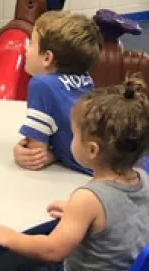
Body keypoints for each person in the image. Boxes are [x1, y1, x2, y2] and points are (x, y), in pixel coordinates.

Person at [0, 77, 149, 271]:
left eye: (74, 135)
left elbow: (52, 251)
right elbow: (121, 217)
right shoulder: (143, 177)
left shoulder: (87, 199)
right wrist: (82, 217)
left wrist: (10, 237)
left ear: (92, 150)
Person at [13, 10, 103, 174]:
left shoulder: (41, 85)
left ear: (47, 58)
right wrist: (54, 153)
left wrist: (20, 153)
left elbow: (34, 154)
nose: (25, 47)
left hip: (90, 180)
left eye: (32, 43)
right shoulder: (85, 78)